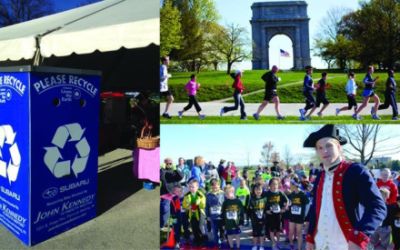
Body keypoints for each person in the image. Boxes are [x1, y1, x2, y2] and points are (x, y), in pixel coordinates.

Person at [304, 124, 386, 250]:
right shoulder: (320, 176)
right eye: (319, 148)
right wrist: (310, 237)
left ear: (338, 147)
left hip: (347, 245)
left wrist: (359, 237)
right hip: (319, 244)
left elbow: (377, 207)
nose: (324, 151)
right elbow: (316, 208)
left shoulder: (356, 171)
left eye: (328, 146)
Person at [265, 177, 289, 250]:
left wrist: (284, 209)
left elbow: (287, 201)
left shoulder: (280, 192)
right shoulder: (267, 193)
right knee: (272, 230)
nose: (275, 186)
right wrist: (266, 210)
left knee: (278, 230)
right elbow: (263, 203)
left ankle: (278, 243)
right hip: (270, 215)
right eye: (273, 184)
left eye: (276, 184)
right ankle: (273, 244)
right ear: (269, 185)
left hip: (278, 214)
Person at [160, 158, 183, 228]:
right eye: (167, 163)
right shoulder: (162, 171)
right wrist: (162, 169)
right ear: (164, 164)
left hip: (175, 193)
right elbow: (161, 178)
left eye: (170, 163)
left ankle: (174, 224)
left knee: (175, 211)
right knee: (165, 209)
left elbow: (181, 176)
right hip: (166, 193)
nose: (169, 165)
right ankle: (162, 224)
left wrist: (175, 168)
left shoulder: (174, 171)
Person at [182, 178, 206, 245]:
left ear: (197, 187)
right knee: (193, 227)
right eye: (190, 187)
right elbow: (184, 204)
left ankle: (202, 239)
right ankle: (196, 239)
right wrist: (187, 206)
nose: (191, 188)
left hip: (200, 213)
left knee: (200, 227)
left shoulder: (201, 195)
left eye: (193, 187)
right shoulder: (187, 195)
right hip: (192, 213)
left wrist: (199, 202)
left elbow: (203, 205)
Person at [288, 178, 309, 250]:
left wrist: (305, 215)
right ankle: (291, 245)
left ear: (294, 185)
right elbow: (289, 204)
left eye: (290, 184)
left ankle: (299, 248)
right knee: (291, 231)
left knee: (299, 233)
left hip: (300, 217)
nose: (289, 186)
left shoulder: (302, 194)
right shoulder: (291, 194)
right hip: (292, 216)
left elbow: (307, 205)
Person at [221, 185, 244, 249]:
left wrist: (241, 222)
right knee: (229, 235)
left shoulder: (238, 201)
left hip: (236, 223)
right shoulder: (225, 202)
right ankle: (231, 247)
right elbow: (222, 213)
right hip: (228, 223)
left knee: (237, 235)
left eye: (228, 193)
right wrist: (223, 223)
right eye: (225, 193)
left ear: (232, 192)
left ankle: (238, 247)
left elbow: (241, 213)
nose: (226, 195)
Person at [205, 178, 225, 247]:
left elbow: (225, 204)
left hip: (221, 216)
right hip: (213, 217)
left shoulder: (222, 193)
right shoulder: (208, 195)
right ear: (211, 186)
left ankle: (222, 238)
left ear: (219, 185)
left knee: (222, 228)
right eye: (213, 185)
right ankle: (217, 242)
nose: (215, 187)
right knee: (215, 230)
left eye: (216, 185)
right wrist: (207, 216)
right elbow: (207, 206)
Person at [248, 183, 267, 250]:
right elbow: (249, 210)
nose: (258, 191)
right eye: (256, 190)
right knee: (255, 233)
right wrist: (250, 217)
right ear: (254, 190)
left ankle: (261, 246)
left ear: (262, 190)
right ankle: (255, 245)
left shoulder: (264, 199)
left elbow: (266, 208)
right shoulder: (252, 199)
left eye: (259, 189)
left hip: (262, 219)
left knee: (261, 233)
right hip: (254, 219)